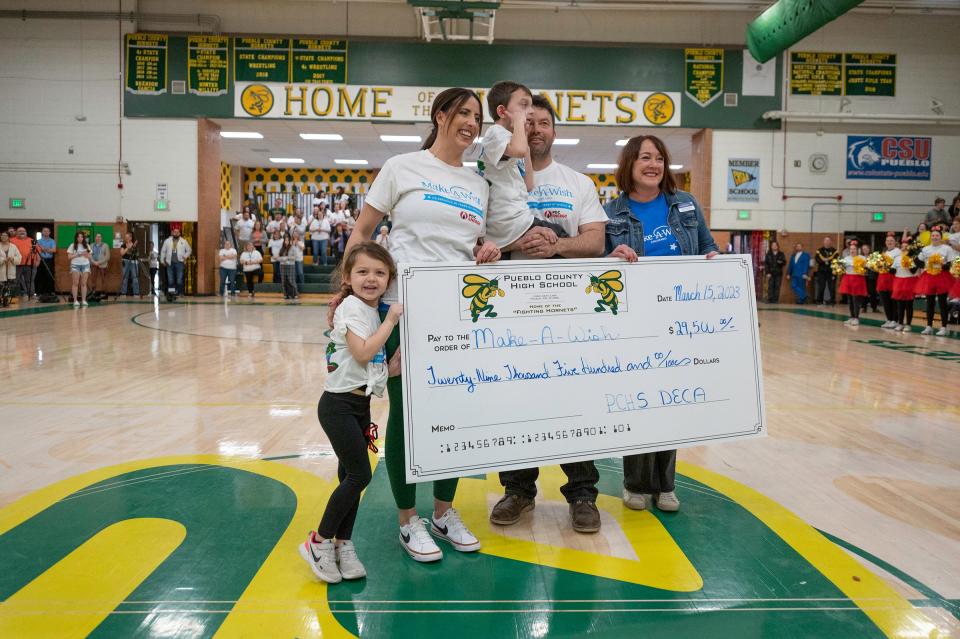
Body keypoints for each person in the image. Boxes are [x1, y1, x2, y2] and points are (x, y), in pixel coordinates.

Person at [338, 87, 502, 563]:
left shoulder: (479, 185)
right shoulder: (401, 167)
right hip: (403, 309)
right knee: (409, 414)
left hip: (460, 309)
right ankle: (408, 521)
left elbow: (475, 244)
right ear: (441, 116)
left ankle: (444, 512)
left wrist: (485, 251)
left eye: (478, 116)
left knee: (453, 414)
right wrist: (350, 288)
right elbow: (363, 232)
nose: (472, 123)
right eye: (463, 113)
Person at [489, 95, 606, 533]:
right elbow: (481, 239)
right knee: (516, 401)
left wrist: (555, 244)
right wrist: (516, 245)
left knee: (575, 403)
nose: (535, 129)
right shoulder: (495, 178)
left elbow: (594, 242)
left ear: (554, 131)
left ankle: (582, 494)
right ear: (514, 124)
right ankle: (518, 489)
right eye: (528, 121)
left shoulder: (577, 183)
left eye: (543, 123)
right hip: (511, 311)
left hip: (569, 312)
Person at [604, 134, 719, 513]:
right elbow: (600, 267)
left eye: (659, 158)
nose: (653, 165)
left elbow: (706, 246)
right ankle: (635, 482)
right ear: (629, 166)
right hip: (634, 323)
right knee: (638, 402)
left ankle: (665, 484)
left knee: (671, 402)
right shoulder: (611, 212)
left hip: (679, 320)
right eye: (644, 158)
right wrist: (611, 254)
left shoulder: (685, 205)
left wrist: (716, 261)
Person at [299, 241, 402, 584]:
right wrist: (391, 321)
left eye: (379, 272)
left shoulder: (369, 310)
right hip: (338, 406)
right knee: (360, 476)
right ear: (347, 276)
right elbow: (361, 352)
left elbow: (369, 365)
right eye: (363, 271)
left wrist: (391, 367)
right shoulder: (354, 308)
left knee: (350, 478)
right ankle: (318, 542)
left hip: (359, 405)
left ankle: (343, 545)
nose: (371, 278)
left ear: (389, 279)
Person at [463, 81, 538, 249]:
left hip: (517, 218)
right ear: (502, 111)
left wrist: (523, 136)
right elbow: (518, 150)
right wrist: (519, 123)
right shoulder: (495, 133)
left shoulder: (510, 141)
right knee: (559, 237)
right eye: (524, 105)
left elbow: (529, 184)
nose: (531, 111)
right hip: (509, 221)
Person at [915, 228, 957, 336]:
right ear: (930, 237)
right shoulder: (925, 249)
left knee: (942, 303)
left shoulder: (947, 248)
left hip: (942, 277)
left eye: (937, 235)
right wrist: (926, 265)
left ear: (941, 237)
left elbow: (951, 263)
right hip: (929, 277)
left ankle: (944, 327)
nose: (935, 237)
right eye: (933, 236)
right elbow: (918, 261)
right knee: (930, 303)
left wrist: (940, 266)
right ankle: (929, 326)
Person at [891, 236, 919, 333]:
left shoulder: (913, 258)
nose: (904, 248)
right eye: (902, 247)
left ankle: (908, 324)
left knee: (908, 305)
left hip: (909, 281)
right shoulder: (897, 258)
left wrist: (909, 264)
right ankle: (900, 323)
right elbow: (893, 270)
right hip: (899, 281)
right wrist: (883, 266)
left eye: (906, 247)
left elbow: (913, 271)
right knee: (900, 305)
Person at [838, 238, 867, 326]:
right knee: (850, 300)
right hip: (848, 279)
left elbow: (867, 267)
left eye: (854, 249)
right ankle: (851, 317)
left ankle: (856, 318)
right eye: (851, 249)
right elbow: (842, 268)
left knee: (856, 300)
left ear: (857, 250)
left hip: (857, 279)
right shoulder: (846, 258)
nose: (852, 250)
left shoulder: (862, 258)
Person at [876, 234, 900, 328]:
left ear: (895, 242)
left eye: (891, 241)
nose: (889, 242)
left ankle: (895, 320)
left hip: (893, 278)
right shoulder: (884, 253)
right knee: (885, 300)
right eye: (888, 241)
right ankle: (889, 319)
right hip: (883, 278)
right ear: (885, 242)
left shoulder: (898, 252)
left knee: (893, 300)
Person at [160, 227, 192, 297]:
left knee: (179, 279)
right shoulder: (167, 241)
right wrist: (162, 260)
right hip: (169, 263)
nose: (176, 233)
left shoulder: (184, 241)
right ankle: (171, 293)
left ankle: (180, 293)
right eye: (175, 232)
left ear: (179, 233)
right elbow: (163, 251)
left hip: (180, 263)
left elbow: (189, 250)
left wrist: (185, 256)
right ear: (172, 233)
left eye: (177, 232)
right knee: (170, 280)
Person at [11, 227, 38, 300]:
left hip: (30, 264)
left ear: (26, 232)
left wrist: (38, 261)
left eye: (23, 231)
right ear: (16, 232)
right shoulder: (11, 241)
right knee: (15, 281)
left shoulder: (31, 240)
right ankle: (13, 296)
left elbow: (38, 252)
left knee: (29, 281)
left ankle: (31, 295)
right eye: (20, 231)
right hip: (16, 265)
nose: (22, 232)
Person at [67, 231, 91, 307]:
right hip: (75, 265)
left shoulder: (87, 245)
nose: (80, 238)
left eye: (81, 237)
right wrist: (78, 254)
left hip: (85, 265)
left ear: (83, 238)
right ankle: (75, 300)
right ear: (76, 238)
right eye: (78, 237)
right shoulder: (72, 245)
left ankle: (84, 300)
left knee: (84, 283)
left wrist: (86, 254)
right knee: (75, 283)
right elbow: (69, 257)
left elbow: (90, 256)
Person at [814, 237, 839, 305]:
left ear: (831, 242)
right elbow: (817, 259)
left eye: (828, 240)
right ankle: (819, 300)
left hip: (831, 271)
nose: (827, 242)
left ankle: (832, 301)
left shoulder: (835, 251)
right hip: (821, 271)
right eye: (826, 240)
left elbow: (836, 260)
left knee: (832, 287)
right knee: (821, 286)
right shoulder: (819, 250)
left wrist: (829, 261)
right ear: (823, 242)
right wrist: (823, 261)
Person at [277, 233, 300, 301]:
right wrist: (282, 259)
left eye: (287, 240)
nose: (286, 242)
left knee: (291, 280)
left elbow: (295, 257)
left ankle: (295, 294)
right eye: (285, 240)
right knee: (284, 280)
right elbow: (279, 258)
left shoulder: (293, 248)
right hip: (282, 266)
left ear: (290, 241)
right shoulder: (281, 249)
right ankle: (286, 294)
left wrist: (287, 258)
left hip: (290, 266)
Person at [1, 231, 23, 299]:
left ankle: (10, 300)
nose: (3, 237)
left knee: (11, 286)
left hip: (11, 269)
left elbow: (19, 257)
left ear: (8, 237)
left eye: (5, 235)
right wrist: (3, 260)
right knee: (1, 286)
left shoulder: (13, 246)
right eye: (2, 235)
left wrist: (13, 259)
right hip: (1, 270)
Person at [35, 227, 56, 297]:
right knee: (40, 276)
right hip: (40, 260)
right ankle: (39, 292)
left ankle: (49, 292)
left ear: (50, 232)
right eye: (44, 231)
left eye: (47, 231)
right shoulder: (39, 241)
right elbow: (38, 250)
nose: (46, 232)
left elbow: (54, 250)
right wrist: (47, 249)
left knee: (49, 276)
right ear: (42, 232)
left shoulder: (52, 241)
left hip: (49, 260)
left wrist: (44, 249)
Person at [119, 232, 141, 298]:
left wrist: (133, 248)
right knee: (125, 277)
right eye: (125, 238)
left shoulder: (135, 245)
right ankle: (123, 293)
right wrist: (127, 248)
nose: (126, 239)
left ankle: (136, 293)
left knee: (135, 278)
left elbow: (137, 254)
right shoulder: (123, 245)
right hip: (125, 262)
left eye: (128, 237)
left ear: (131, 238)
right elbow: (122, 253)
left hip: (134, 262)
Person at [860, 243, 879, 313]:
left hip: (872, 277)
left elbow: (877, 267)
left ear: (869, 249)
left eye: (866, 248)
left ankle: (874, 307)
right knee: (864, 292)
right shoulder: (860, 257)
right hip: (863, 277)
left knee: (872, 292)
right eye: (863, 249)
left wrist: (871, 266)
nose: (865, 250)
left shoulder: (873, 257)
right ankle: (864, 307)